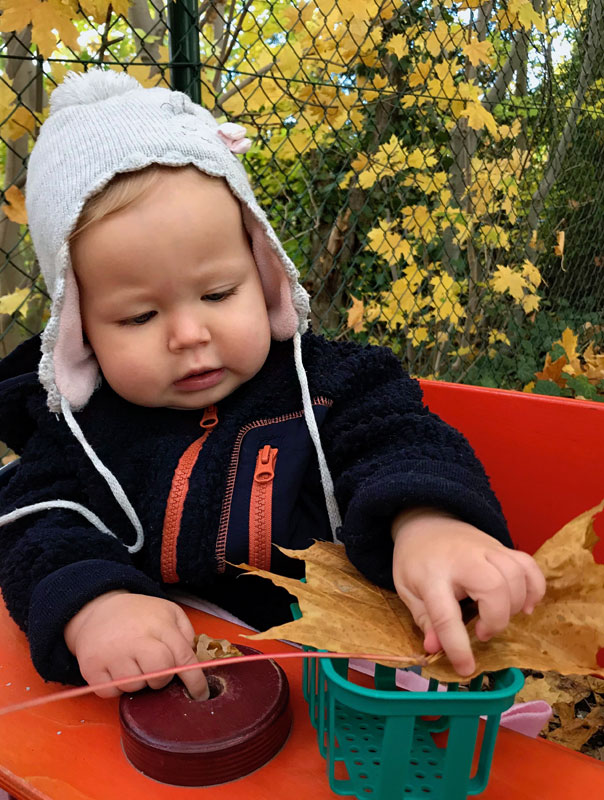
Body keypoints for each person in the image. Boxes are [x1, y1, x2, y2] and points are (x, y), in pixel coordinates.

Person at [0, 70, 545, 702]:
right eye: (139, 317)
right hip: (183, 693)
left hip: (359, 681)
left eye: (218, 293)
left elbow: (400, 441)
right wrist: (95, 603)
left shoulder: (332, 385)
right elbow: (33, 524)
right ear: (80, 332)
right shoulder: (79, 434)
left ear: (263, 277)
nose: (187, 334)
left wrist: (427, 524)